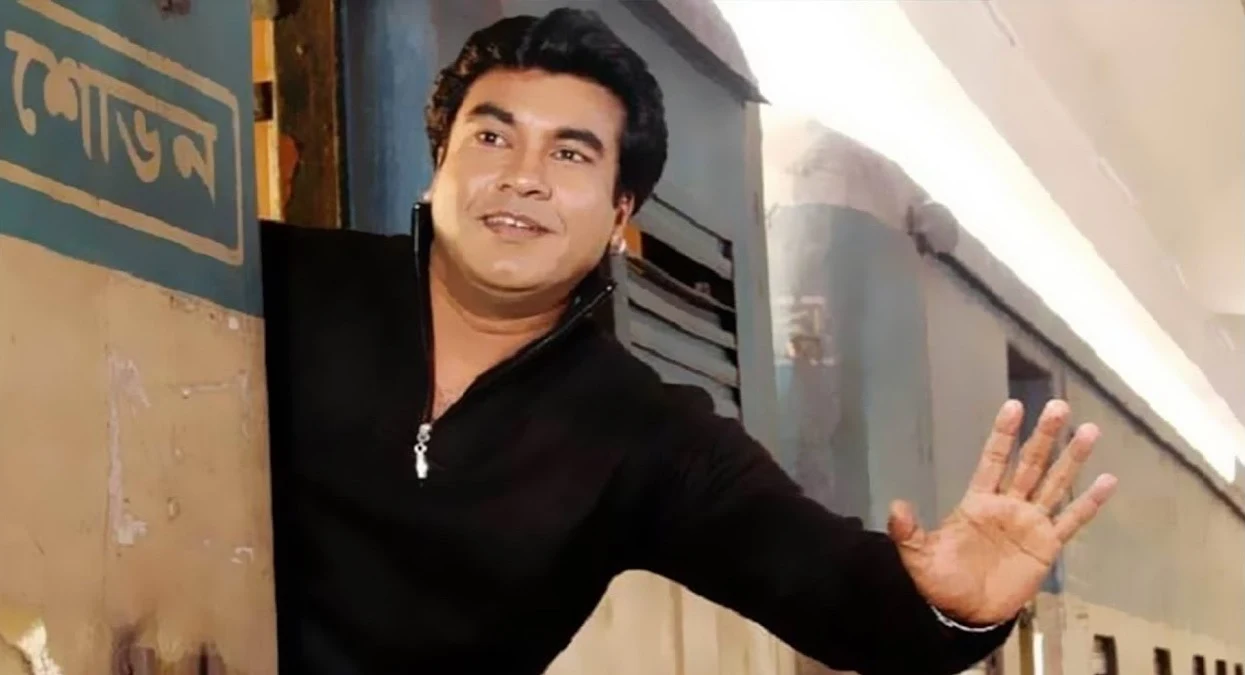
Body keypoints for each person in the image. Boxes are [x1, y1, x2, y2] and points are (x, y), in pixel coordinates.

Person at [259, 8, 1118, 674]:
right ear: (439, 165)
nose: (521, 176)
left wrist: (952, 610)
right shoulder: (267, 278)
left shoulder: (643, 434)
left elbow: (825, 581)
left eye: (569, 154)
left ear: (619, 214)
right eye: (491, 136)